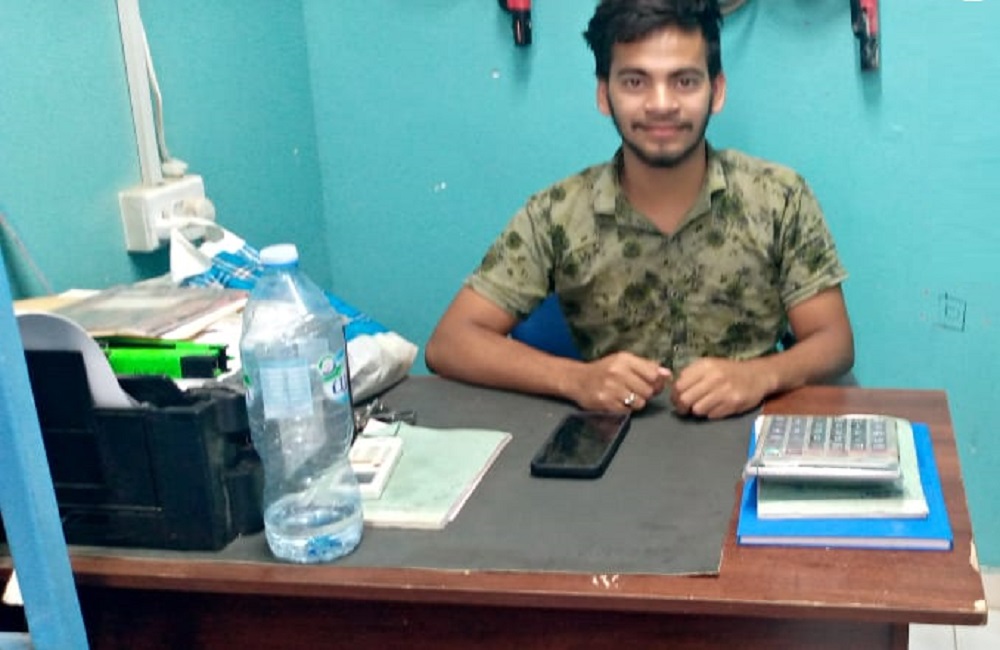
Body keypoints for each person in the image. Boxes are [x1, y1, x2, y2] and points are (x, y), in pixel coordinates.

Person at [425, 0, 854, 419]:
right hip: (611, 438)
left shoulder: (779, 197)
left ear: (717, 91)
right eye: (635, 82)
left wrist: (760, 375)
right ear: (604, 95)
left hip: (751, 432)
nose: (661, 104)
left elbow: (833, 341)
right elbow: (450, 342)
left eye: (684, 81)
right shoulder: (556, 214)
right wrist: (576, 379)